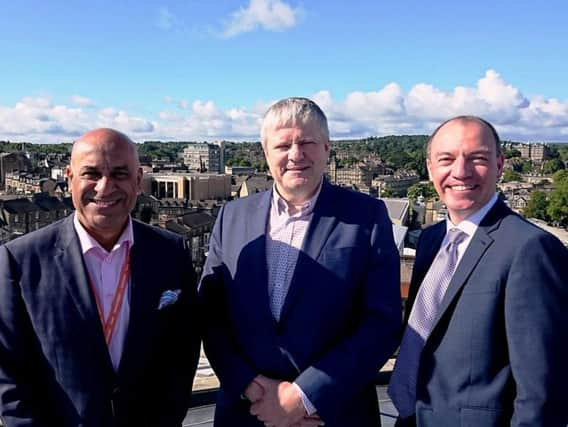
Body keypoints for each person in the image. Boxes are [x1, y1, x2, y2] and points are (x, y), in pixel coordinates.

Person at [199, 97, 401, 427]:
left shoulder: (367, 216)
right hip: (246, 411)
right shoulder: (232, 216)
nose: (295, 154)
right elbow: (211, 315)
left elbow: (382, 322)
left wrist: (304, 396)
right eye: (283, 145)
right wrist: (251, 386)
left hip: (332, 413)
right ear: (266, 153)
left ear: (326, 148)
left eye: (306, 142)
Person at [0, 128, 201, 427]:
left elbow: (182, 357)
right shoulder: (19, 260)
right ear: (69, 178)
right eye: (91, 174)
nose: (105, 188)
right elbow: (9, 376)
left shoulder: (171, 253)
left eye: (120, 174)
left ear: (137, 179)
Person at [388, 116, 568, 427]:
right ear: (430, 168)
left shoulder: (531, 248)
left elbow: (543, 393)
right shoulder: (431, 241)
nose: (460, 171)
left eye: (477, 158)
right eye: (447, 159)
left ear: (499, 165)